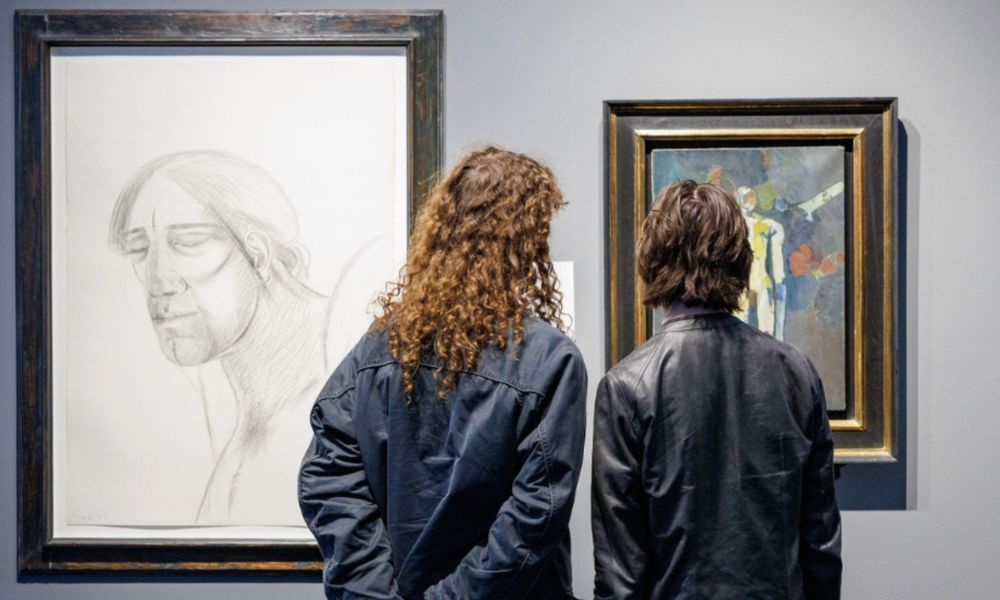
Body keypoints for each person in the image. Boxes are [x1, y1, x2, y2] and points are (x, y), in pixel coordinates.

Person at [299, 146, 587, 599]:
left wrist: (374, 593)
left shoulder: (379, 349)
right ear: (525, 242)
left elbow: (329, 483)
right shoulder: (549, 360)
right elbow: (534, 519)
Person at [592, 180, 841, 599]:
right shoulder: (796, 372)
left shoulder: (626, 387)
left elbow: (620, 575)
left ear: (652, 260)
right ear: (742, 260)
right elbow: (821, 548)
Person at [109, 150, 345, 525]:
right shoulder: (233, 443)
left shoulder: (357, 365)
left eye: (188, 241)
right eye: (138, 249)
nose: (158, 281)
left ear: (259, 252)